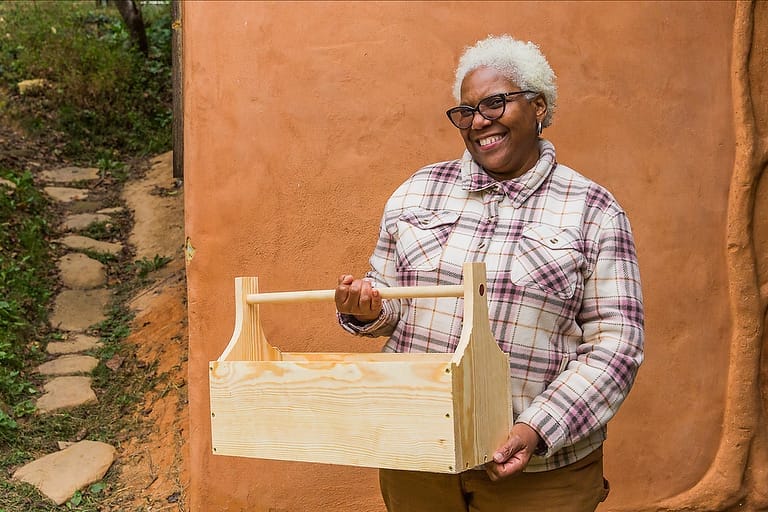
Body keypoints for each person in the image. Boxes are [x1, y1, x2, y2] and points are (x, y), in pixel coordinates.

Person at [334, 34, 644, 512]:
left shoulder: (594, 210)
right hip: (421, 459)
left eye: (495, 103)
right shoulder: (417, 192)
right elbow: (391, 302)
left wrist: (537, 426)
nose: (479, 122)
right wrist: (366, 309)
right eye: (467, 111)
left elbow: (616, 345)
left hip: (539, 476)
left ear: (538, 107)